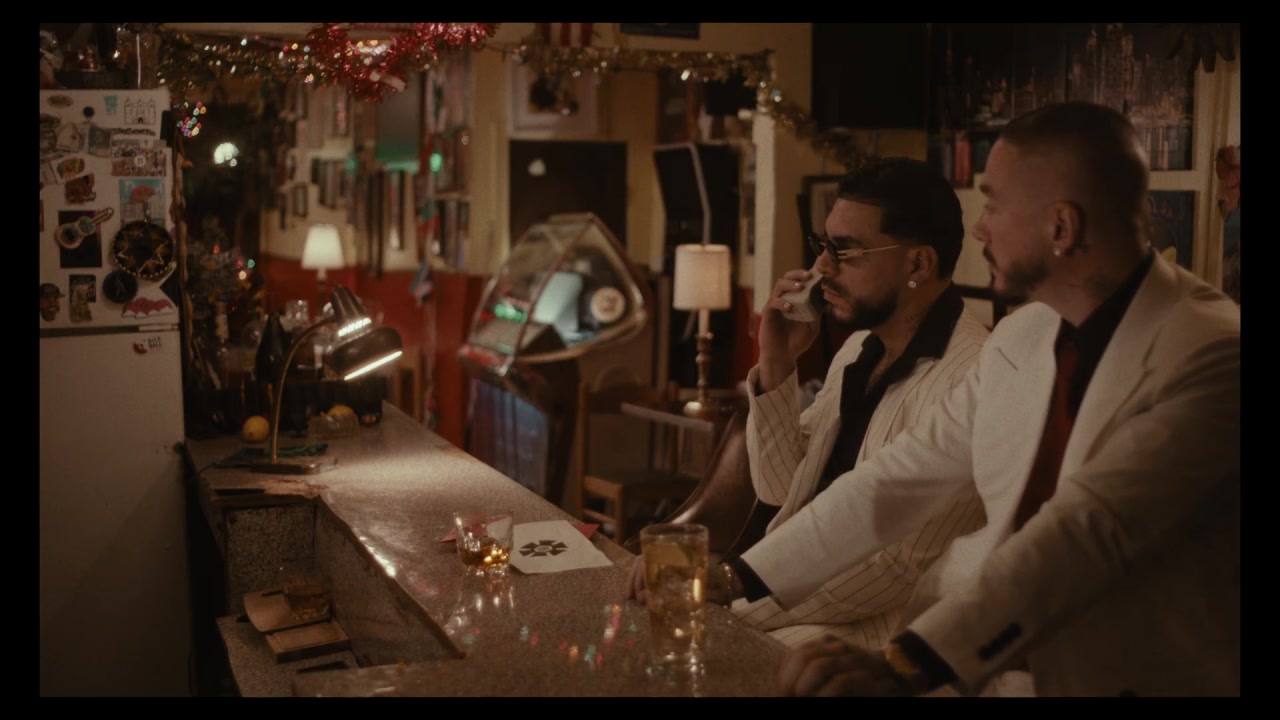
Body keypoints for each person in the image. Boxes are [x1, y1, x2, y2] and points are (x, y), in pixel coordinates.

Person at [731, 102, 1239, 697]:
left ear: (1061, 227)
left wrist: (908, 665)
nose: (978, 229)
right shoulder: (1023, 334)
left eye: (994, 205)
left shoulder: (1213, 352)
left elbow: (1086, 530)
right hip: (980, 668)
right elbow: (897, 478)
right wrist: (737, 578)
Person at [720, 158, 990, 651]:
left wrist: (728, 600)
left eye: (844, 250)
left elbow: (890, 566)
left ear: (918, 264)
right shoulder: (859, 349)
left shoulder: (973, 374)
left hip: (880, 635)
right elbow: (780, 489)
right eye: (823, 245)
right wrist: (777, 361)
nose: (823, 267)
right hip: (789, 601)